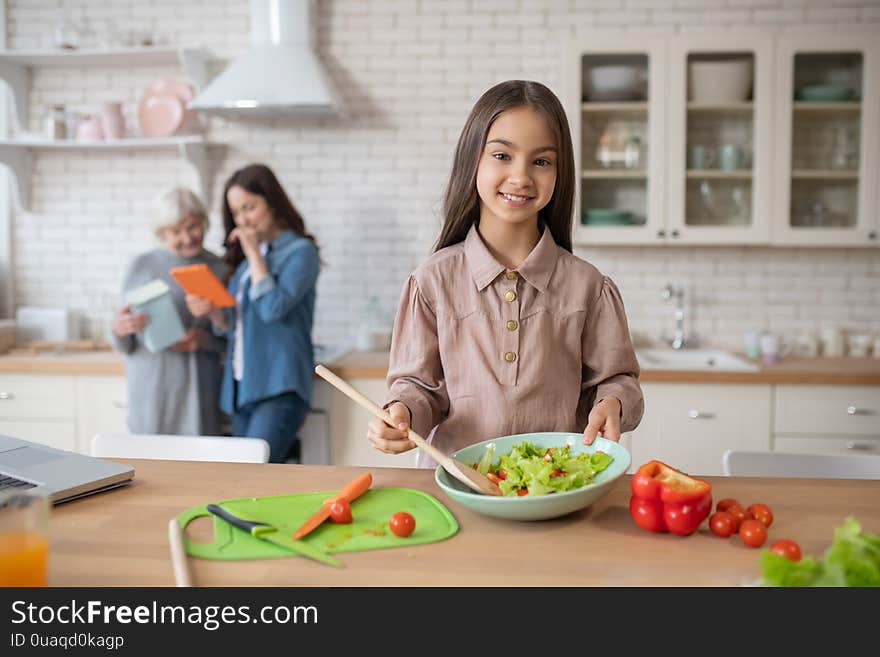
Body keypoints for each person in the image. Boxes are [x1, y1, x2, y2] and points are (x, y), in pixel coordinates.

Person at [367, 80, 644, 468]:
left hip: (557, 488)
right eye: (502, 155)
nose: (521, 177)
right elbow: (417, 388)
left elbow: (619, 381)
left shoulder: (589, 288)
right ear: (473, 160)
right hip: (457, 488)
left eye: (541, 161)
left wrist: (613, 402)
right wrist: (402, 414)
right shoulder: (431, 282)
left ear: (560, 173)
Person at [186, 164, 320, 464]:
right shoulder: (247, 264)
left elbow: (273, 308)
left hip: (278, 386)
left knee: (253, 476)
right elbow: (238, 326)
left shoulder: (300, 252)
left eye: (250, 207)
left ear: (272, 201)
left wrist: (255, 255)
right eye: (236, 212)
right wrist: (215, 315)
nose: (243, 219)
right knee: (242, 478)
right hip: (241, 387)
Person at [112, 188, 228, 435]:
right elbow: (123, 341)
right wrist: (119, 329)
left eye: (193, 227)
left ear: (204, 223)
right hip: (152, 385)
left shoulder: (219, 268)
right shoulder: (141, 266)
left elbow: (232, 340)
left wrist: (204, 340)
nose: (187, 238)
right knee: (151, 460)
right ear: (162, 233)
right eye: (176, 231)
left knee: (199, 460)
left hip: (200, 385)